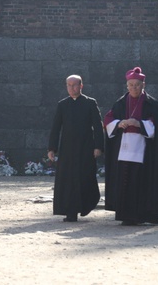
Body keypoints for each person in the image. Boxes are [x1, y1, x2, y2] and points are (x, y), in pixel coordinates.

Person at [103, 67, 158, 225]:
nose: (134, 88)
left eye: (137, 85)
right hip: (124, 149)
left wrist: (139, 124)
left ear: (143, 84)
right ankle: (126, 216)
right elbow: (108, 119)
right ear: (127, 86)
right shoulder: (120, 103)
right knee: (125, 181)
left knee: (142, 181)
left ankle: (144, 214)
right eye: (131, 85)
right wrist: (120, 123)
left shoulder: (152, 104)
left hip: (145, 151)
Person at [48, 75, 105, 222]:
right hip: (67, 149)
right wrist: (52, 148)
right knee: (68, 180)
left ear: (81, 86)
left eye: (74, 85)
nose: (72, 88)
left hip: (86, 147)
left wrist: (98, 146)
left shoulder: (90, 103)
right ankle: (70, 212)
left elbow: (98, 126)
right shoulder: (62, 104)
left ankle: (85, 206)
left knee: (85, 177)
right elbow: (56, 128)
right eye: (69, 85)